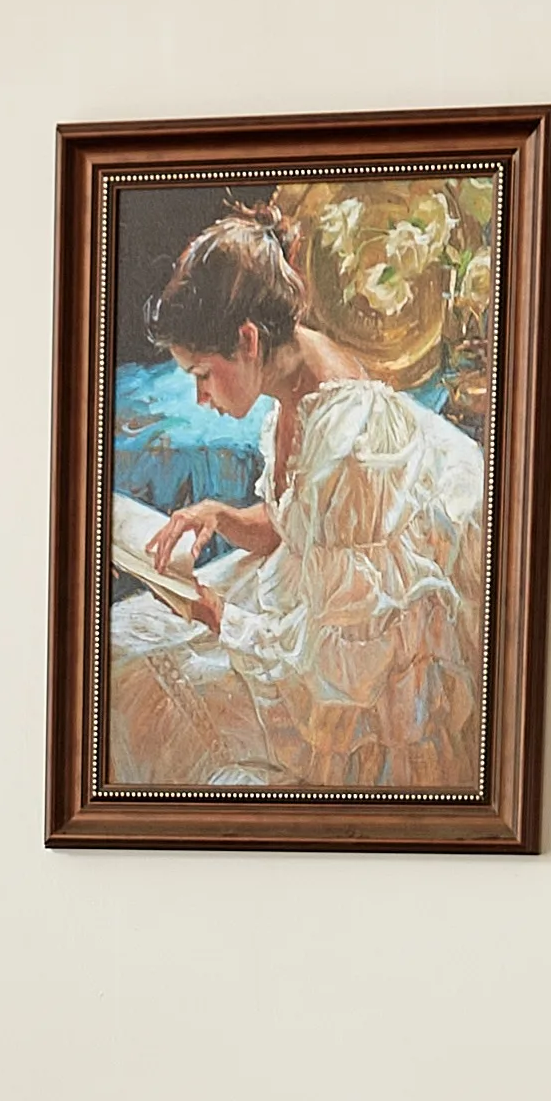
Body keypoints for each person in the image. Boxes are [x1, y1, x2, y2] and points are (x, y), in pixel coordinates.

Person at [107, 213, 488, 793]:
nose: (199, 396)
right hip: (313, 614)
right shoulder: (293, 378)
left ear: (248, 340)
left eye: (202, 374)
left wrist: (218, 617)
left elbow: (339, 668)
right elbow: (293, 524)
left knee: (130, 670)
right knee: (121, 638)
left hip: (349, 688)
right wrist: (222, 514)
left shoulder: (350, 441)